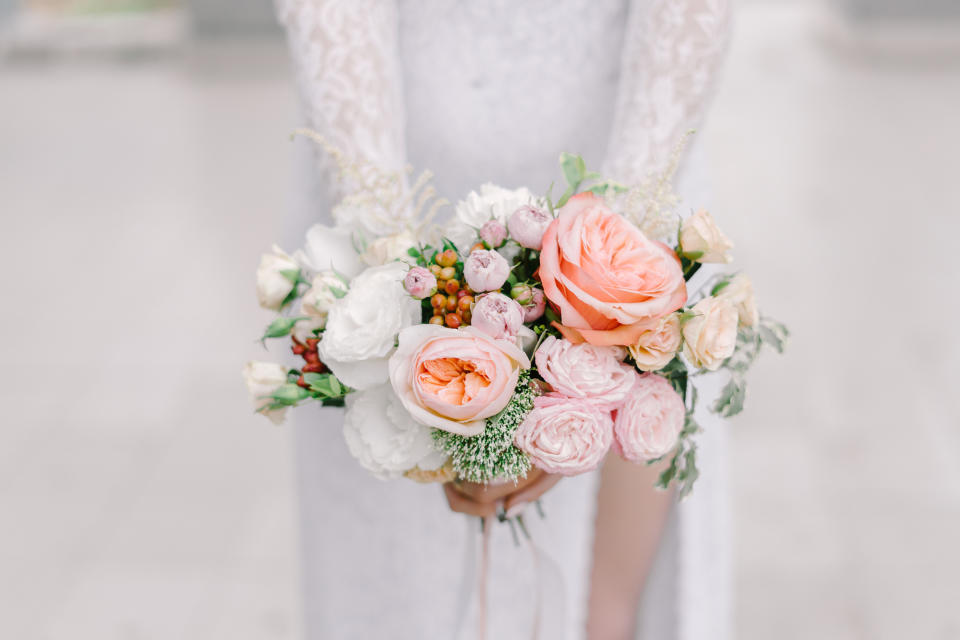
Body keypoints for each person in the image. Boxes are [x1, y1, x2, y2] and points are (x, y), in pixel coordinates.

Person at [276, 1, 732, 637]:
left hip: (626, 166)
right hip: (386, 159)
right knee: (391, 586)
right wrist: (388, 276)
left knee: (601, 599)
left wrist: (601, 300)